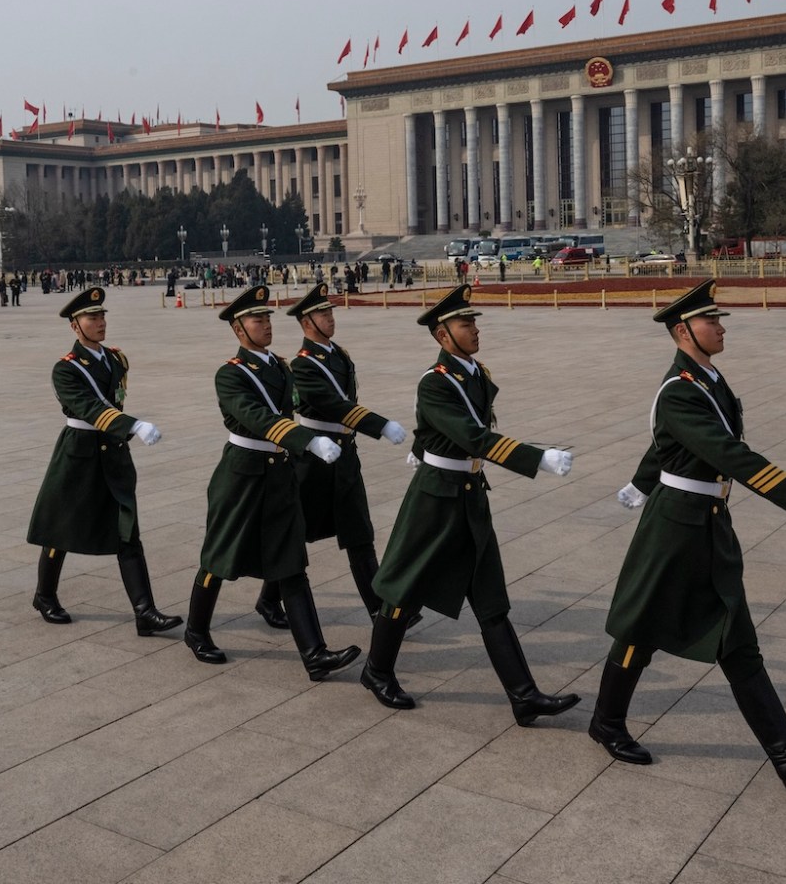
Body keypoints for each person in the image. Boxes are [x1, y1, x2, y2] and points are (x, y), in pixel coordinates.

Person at [593, 280, 786, 789]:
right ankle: (606, 722)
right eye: (710, 320)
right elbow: (728, 453)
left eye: (719, 318)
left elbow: (672, 445)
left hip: (707, 522)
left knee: (736, 638)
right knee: (639, 629)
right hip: (675, 527)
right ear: (682, 331)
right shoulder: (680, 391)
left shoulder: (709, 382)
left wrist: (639, 482)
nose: (720, 326)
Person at [360, 284, 578, 725]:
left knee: (490, 598)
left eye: (474, 321)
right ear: (443, 335)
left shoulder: (475, 373)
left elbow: (452, 429)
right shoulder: (435, 383)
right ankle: (376, 671)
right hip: (435, 498)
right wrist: (536, 457)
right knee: (405, 586)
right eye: (466, 323)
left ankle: (524, 695)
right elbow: (472, 435)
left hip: (470, 496)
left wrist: (423, 442)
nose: (475, 329)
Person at [182, 284, 361, 682]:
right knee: (219, 557)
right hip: (242, 474)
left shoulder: (281, 367)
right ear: (237, 329)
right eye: (256, 319)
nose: (265, 324)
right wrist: (308, 440)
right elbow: (256, 418)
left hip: (279, 474)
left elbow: (306, 405)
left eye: (266, 318)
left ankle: (315, 655)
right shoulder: (230, 375)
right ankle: (195, 631)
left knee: (290, 563)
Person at [24, 286, 183, 637]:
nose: (99, 323)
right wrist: (133, 425)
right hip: (79, 451)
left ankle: (145, 611)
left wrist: (124, 428)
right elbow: (91, 409)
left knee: (128, 531)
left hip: (112, 453)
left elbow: (114, 400)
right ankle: (44, 595)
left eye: (101, 316)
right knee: (60, 530)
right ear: (74, 326)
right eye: (91, 318)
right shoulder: (65, 369)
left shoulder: (116, 359)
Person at [251, 284, 410, 629]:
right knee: (297, 536)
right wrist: (379, 425)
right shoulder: (304, 365)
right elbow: (334, 405)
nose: (331, 318)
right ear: (307, 322)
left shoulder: (338, 354)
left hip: (345, 457)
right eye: (323, 314)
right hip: (314, 459)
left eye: (331, 312)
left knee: (359, 534)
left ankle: (379, 610)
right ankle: (267, 600)